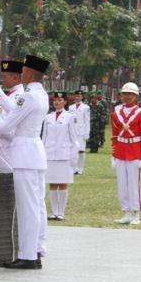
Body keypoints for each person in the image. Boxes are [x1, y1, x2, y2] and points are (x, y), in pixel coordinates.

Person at [0, 54, 50, 269]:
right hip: (34, 153)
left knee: (28, 208)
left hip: (24, 155)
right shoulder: (39, 94)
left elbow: (5, 125)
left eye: (23, 71)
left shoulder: (29, 96)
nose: (21, 73)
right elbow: (17, 109)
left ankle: (28, 255)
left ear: (30, 73)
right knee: (38, 206)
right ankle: (37, 249)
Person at [111, 82, 141, 226]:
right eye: (124, 94)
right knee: (122, 184)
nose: (127, 96)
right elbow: (115, 135)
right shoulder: (116, 113)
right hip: (121, 150)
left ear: (135, 96)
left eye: (130, 94)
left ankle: (136, 214)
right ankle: (126, 212)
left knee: (134, 184)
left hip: (135, 151)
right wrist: (114, 155)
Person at [42, 91, 79, 221]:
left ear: (65, 102)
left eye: (60, 100)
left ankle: (61, 212)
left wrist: (74, 156)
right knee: (52, 184)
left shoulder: (70, 117)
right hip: (50, 154)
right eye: (55, 100)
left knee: (63, 183)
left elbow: (74, 138)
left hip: (64, 154)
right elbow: (44, 138)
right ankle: (54, 212)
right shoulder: (48, 118)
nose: (57, 102)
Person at [0, 60, 25, 169]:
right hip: (2, 143)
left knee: (9, 180)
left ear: (15, 78)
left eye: (4, 77)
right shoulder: (11, 94)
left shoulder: (21, 95)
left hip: (11, 145)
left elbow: (13, 111)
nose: (2, 80)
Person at [69, 90, 91, 175]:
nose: (77, 97)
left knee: (81, 151)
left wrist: (87, 133)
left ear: (82, 97)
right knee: (74, 150)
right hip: (73, 131)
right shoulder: (71, 107)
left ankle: (80, 169)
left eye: (79, 96)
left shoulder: (86, 107)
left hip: (81, 132)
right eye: (76, 96)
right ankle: (74, 168)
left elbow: (87, 121)